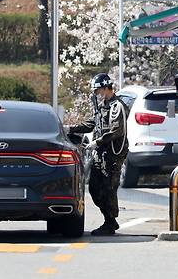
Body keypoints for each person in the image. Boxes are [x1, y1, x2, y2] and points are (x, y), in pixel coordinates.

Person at [68, 73, 129, 236]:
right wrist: (71, 128)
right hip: (100, 154)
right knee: (94, 187)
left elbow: (117, 130)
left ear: (106, 87)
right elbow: (91, 123)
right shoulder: (102, 106)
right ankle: (108, 219)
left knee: (109, 188)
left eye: (98, 90)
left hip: (112, 154)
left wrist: (98, 142)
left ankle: (110, 222)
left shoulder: (117, 106)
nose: (97, 94)